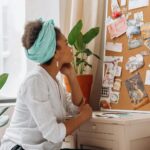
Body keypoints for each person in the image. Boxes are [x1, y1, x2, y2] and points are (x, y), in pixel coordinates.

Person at [0, 19, 92, 150]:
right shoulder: (35, 82)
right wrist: (83, 117)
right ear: (54, 52)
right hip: (19, 147)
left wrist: (72, 76)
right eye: (66, 44)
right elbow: (54, 134)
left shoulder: (53, 81)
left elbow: (76, 107)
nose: (70, 48)